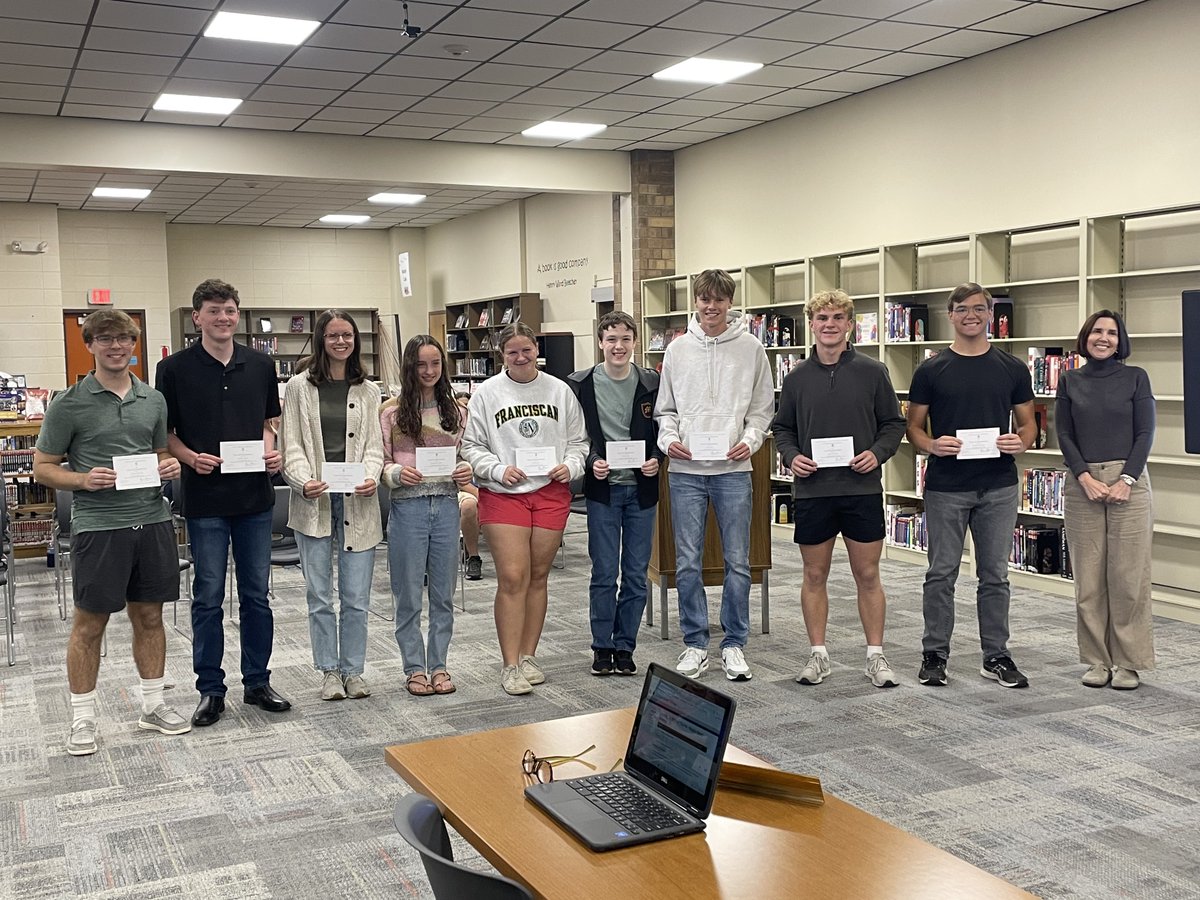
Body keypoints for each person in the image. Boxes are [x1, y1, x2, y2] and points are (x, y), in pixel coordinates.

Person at [33, 309, 189, 755]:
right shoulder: (69, 403)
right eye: (106, 339)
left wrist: (170, 465)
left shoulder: (153, 400)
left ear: (134, 344)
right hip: (100, 527)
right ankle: (82, 719)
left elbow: (159, 452)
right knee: (90, 623)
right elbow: (43, 467)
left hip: (152, 520)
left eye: (124, 338)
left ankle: (153, 705)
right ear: (90, 345)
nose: (116, 346)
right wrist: (82, 479)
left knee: (151, 617)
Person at [156, 278, 291, 726]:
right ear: (197, 317)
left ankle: (257, 681)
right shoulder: (174, 369)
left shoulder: (260, 364)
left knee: (257, 596)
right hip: (205, 497)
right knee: (208, 597)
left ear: (238, 314)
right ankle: (210, 690)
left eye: (230, 310)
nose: (223, 318)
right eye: (213, 310)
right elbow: (166, 435)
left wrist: (271, 449)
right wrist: (190, 458)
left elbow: (268, 420)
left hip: (254, 496)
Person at [772, 290, 906, 688]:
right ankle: (818, 655)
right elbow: (782, 428)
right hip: (813, 491)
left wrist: (877, 454)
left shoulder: (873, 371)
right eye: (821, 318)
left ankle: (876, 657)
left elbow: (893, 424)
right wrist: (791, 456)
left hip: (861, 489)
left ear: (850, 325)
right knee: (814, 574)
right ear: (811, 325)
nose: (829, 324)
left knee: (868, 574)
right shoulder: (795, 378)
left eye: (837, 318)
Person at [906, 283, 1036, 689]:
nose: (971, 316)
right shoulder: (931, 369)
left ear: (989, 313)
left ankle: (995, 655)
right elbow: (912, 428)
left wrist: (1023, 440)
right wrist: (931, 444)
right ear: (951, 314)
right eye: (962, 309)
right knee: (941, 573)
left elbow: (1028, 423)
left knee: (995, 575)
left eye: (979, 309)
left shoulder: (1012, 368)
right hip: (947, 486)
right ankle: (935, 654)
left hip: (998, 485)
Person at [654, 269, 774, 682]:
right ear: (696, 301)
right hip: (685, 472)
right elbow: (665, 410)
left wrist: (752, 439)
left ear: (729, 303)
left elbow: (762, 409)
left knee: (738, 561)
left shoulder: (752, 349)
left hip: (733, 471)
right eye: (704, 299)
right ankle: (694, 644)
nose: (711, 307)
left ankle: (734, 644)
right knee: (687, 562)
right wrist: (669, 441)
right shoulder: (677, 350)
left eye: (719, 300)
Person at [460, 322, 588, 695]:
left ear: (537, 350)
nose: (520, 357)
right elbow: (472, 447)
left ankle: (530, 655)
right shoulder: (487, 393)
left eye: (526, 350)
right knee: (513, 577)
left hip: (550, 491)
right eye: (512, 352)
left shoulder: (559, 390)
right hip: (504, 493)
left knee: (538, 576)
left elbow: (579, 442)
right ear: (502, 355)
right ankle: (510, 663)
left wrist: (572, 466)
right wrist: (497, 469)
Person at [281, 310, 383, 702]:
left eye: (347, 335)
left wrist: (371, 474)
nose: (341, 342)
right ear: (321, 340)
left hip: (358, 501)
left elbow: (375, 446)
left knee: (356, 597)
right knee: (320, 596)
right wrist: (301, 480)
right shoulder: (298, 388)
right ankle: (328, 671)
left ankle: (353, 671)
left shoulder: (369, 390)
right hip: (314, 501)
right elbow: (290, 444)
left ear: (355, 340)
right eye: (333, 336)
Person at [1056, 310, 1155, 690]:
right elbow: (1063, 433)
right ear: (1086, 337)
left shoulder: (1135, 377)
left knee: (1129, 578)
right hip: (1083, 483)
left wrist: (1126, 478)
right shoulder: (1070, 380)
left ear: (1121, 340)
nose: (1104, 338)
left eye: (1112, 333)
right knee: (1089, 578)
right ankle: (1097, 660)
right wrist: (1084, 477)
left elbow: (1145, 432)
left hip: (1129, 481)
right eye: (1097, 331)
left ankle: (1129, 662)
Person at [567, 311, 662, 677]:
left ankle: (626, 646)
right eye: (611, 340)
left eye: (625, 339)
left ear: (635, 341)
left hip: (642, 491)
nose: (618, 346)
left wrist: (656, 458)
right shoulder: (580, 384)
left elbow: (664, 428)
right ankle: (601, 646)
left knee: (636, 575)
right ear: (601, 343)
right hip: (603, 490)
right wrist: (592, 461)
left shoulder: (652, 382)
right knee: (604, 573)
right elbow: (577, 436)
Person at [380, 336, 474, 697]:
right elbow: (381, 463)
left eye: (435, 363)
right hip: (408, 508)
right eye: (421, 364)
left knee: (442, 595)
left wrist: (466, 471)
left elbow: (467, 457)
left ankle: (439, 665)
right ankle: (414, 667)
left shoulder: (457, 411)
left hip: (447, 506)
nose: (429, 371)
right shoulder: (391, 413)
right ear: (409, 367)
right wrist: (395, 475)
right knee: (407, 595)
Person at [454, 391, 484, 580]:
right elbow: (456, 475)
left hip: (487, 485)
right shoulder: (453, 433)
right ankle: (473, 556)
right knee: (470, 505)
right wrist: (478, 493)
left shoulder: (481, 430)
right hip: (460, 489)